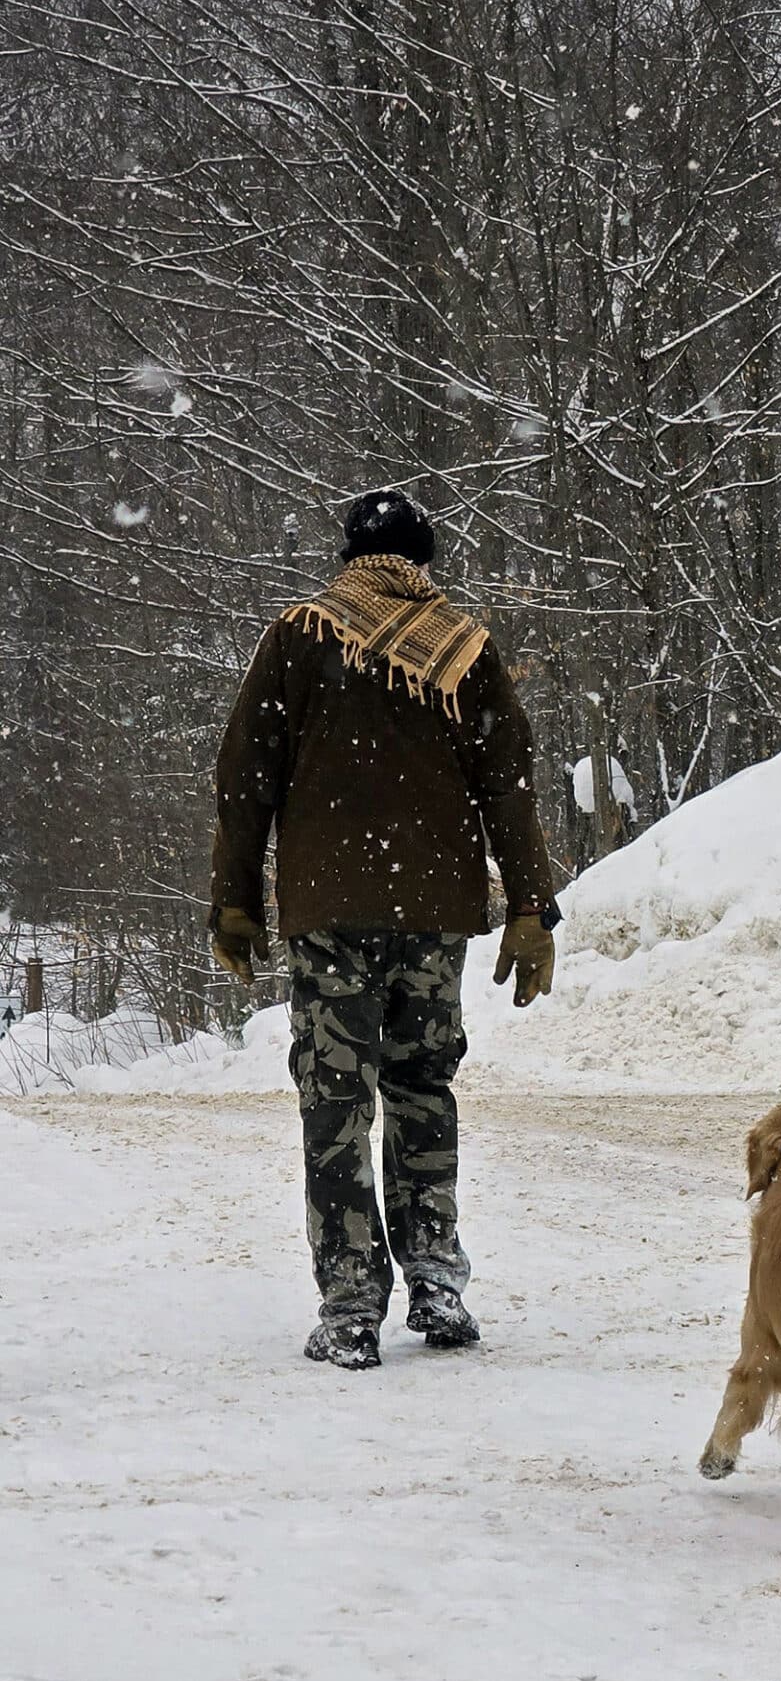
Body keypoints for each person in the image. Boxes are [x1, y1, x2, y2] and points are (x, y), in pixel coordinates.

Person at [209, 488, 562, 1370]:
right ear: (423, 559)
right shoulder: (460, 647)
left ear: (347, 556)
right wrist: (528, 907)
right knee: (421, 1092)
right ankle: (437, 1285)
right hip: (434, 915)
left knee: (335, 1103)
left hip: (330, 913)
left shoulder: (300, 634)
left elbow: (246, 772)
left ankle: (351, 1306)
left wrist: (236, 898)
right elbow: (509, 784)